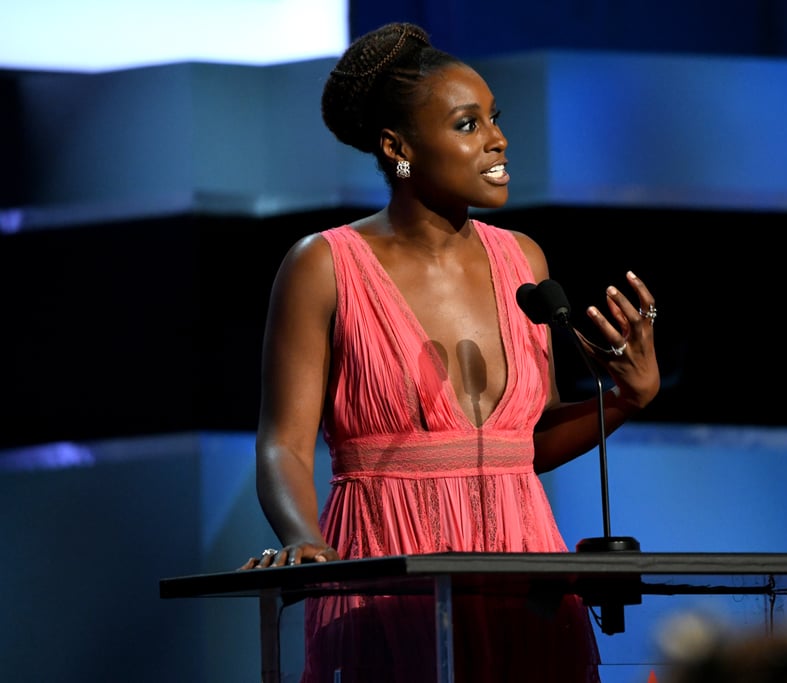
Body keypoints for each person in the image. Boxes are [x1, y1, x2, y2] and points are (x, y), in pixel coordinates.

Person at [239, 21, 660, 682]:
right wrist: (303, 538)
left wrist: (630, 398)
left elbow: (531, 441)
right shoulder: (322, 265)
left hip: (522, 569)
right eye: (468, 126)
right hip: (389, 568)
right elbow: (283, 446)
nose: (497, 140)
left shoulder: (523, 259)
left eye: (494, 119)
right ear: (397, 147)